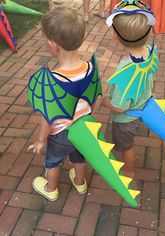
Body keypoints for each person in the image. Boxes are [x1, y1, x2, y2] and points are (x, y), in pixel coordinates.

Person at [28, 7, 95, 201]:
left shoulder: (53, 81)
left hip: (60, 134)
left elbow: (48, 117)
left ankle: (51, 189)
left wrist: (41, 140)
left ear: (52, 45)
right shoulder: (90, 68)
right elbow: (91, 99)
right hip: (83, 128)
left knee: (53, 162)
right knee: (79, 157)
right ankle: (80, 183)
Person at [101, 1, 158, 177]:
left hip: (125, 119)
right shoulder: (150, 50)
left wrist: (106, 102)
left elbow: (121, 106)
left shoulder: (125, 71)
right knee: (129, 140)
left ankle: (129, 169)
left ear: (114, 36)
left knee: (127, 146)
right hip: (143, 106)